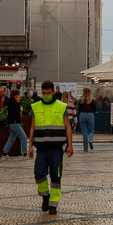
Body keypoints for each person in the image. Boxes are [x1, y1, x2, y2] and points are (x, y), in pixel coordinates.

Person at [28, 80, 74, 215]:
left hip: (56, 149)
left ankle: (53, 205)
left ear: (54, 92)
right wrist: (30, 146)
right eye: (44, 93)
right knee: (39, 174)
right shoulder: (35, 107)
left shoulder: (61, 106)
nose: (46, 95)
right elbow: (32, 128)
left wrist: (70, 145)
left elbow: (68, 127)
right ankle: (45, 196)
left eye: (48, 93)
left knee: (56, 176)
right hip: (41, 149)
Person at [1, 90, 28, 159]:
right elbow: (17, 110)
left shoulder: (11, 102)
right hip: (15, 122)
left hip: (12, 123)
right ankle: (25, 154)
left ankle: (5, 153)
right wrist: (19, 104)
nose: (19, 97)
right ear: (14, 96)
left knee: (12, 138)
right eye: (18, 95)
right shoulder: (13, 103)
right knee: (23, 137)